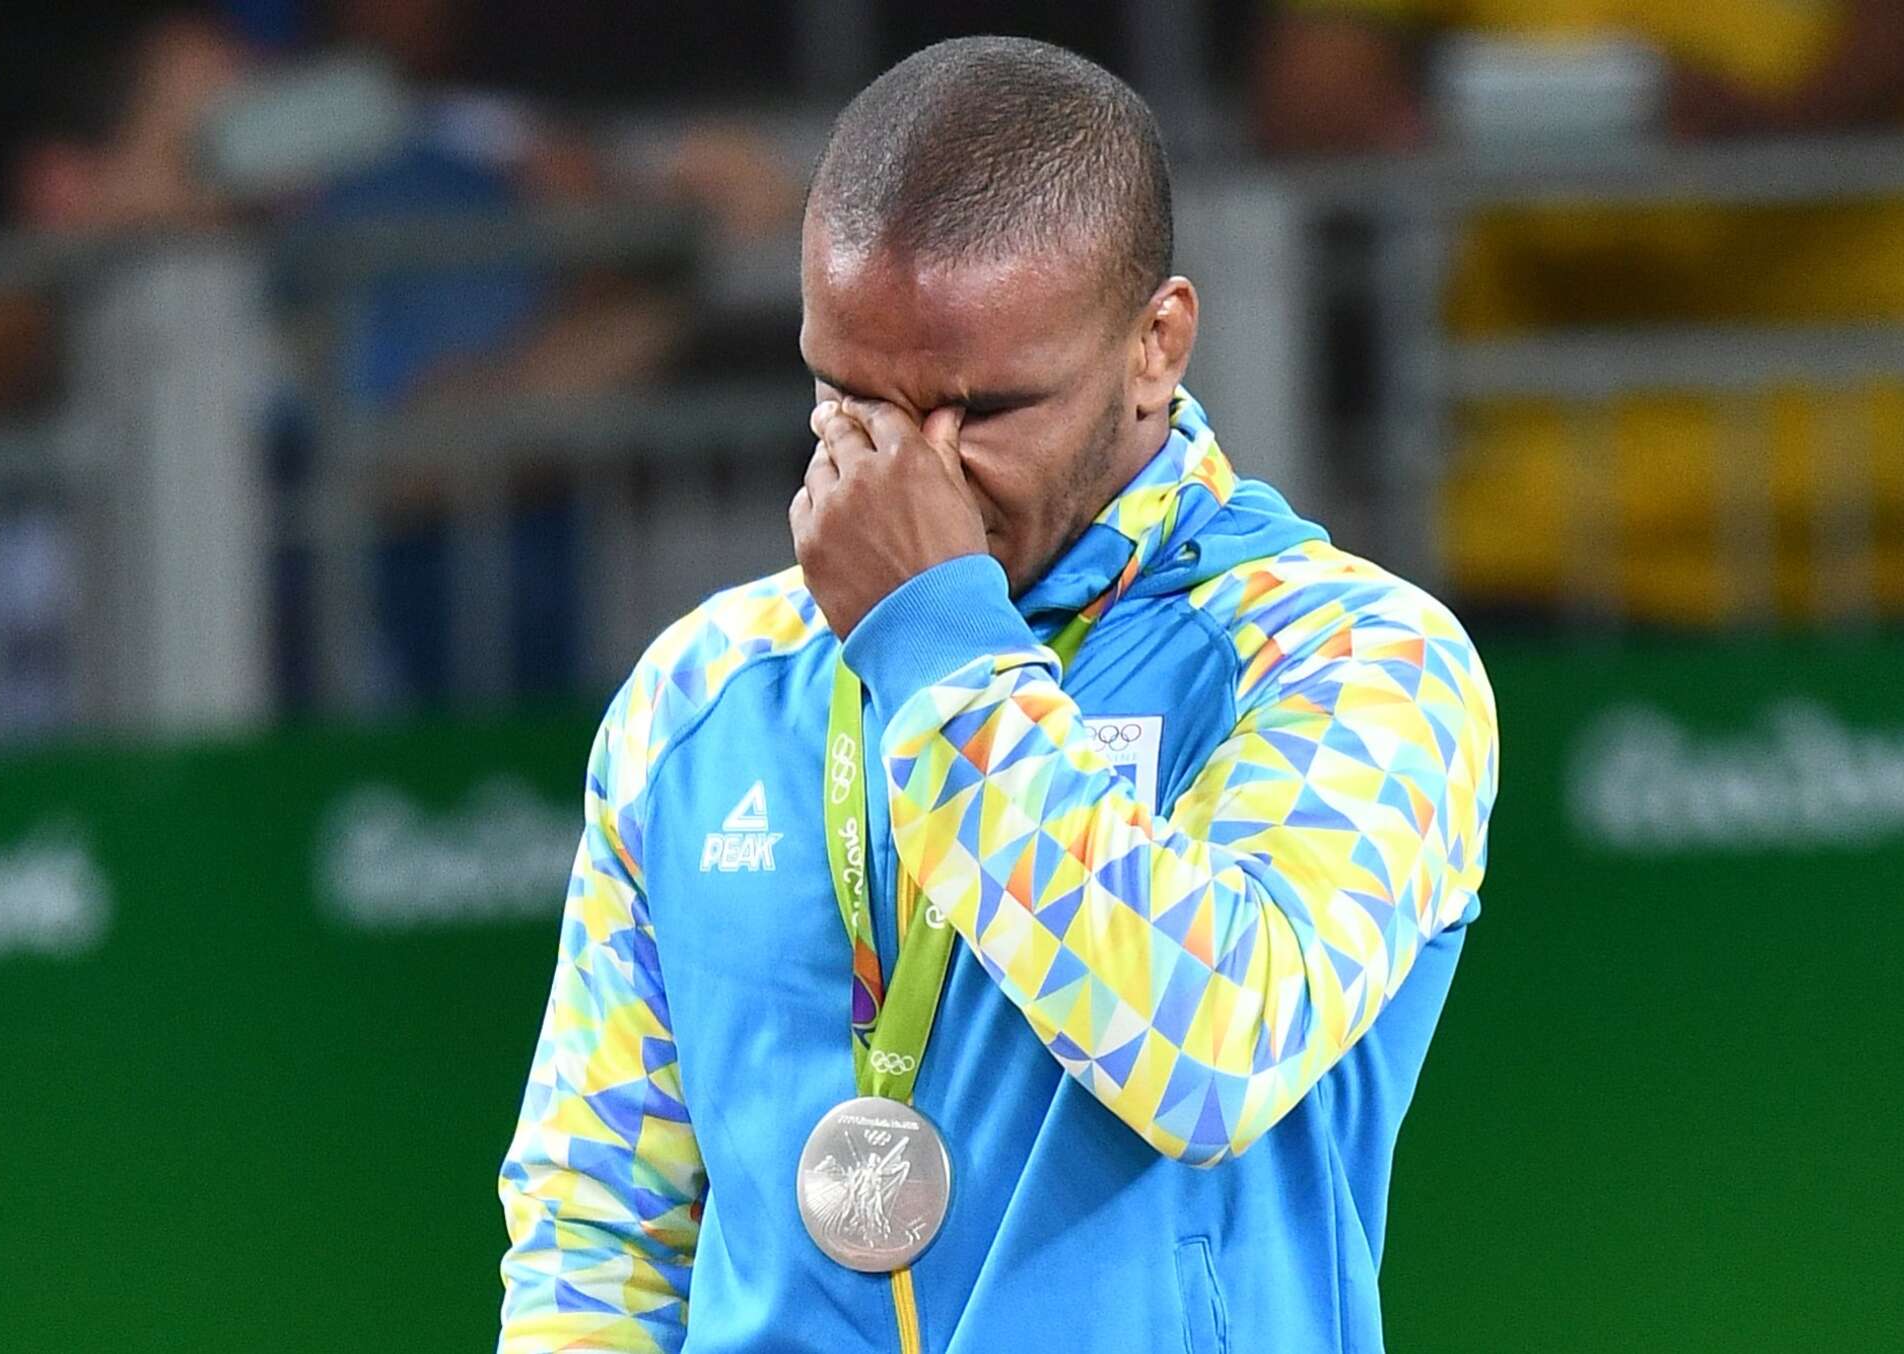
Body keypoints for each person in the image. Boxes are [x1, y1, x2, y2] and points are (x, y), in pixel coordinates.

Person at [497, 36, 1499, 1354]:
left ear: (1155, 345)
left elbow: (1211, 1054)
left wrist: (939, 648)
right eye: (848, 396)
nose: (908, 471)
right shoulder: (702, 690)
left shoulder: (1352, 659)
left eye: (976, 412)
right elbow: (596, 1225)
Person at [1256, 0, 1904, 622]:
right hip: (1539, 532)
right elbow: (1317, 95)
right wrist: (1506, 121)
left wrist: (1781, 125)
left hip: (1862, 515)